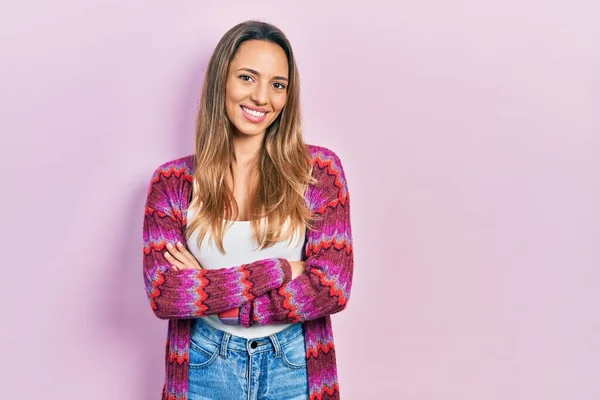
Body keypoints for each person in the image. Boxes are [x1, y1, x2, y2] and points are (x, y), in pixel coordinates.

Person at [142, 20, 354, 400]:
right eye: (246, 77)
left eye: (277, 85)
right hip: (203, 365)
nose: (261, 97)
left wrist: (215, 295)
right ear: (221, 81)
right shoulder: (172, 183)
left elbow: (331, 287)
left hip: (295, 364)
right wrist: (283, 268)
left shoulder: (320, 173)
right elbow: (165, 294)